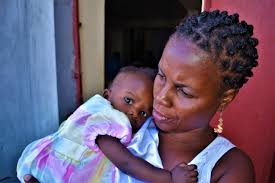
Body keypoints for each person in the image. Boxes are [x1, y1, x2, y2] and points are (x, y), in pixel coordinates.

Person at [23, 10, 259, 183]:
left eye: (184, 91)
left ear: (225, 98)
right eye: (161, 76)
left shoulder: (229, 168)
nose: (161, 97)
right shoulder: (129, 122)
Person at [17, 66, 197, 183]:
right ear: (106, 96)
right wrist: (170, 178)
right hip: (54, 172)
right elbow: (126, 162)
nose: (134, 112)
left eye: (143, 112)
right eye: (129, 100)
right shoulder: (104, 119)